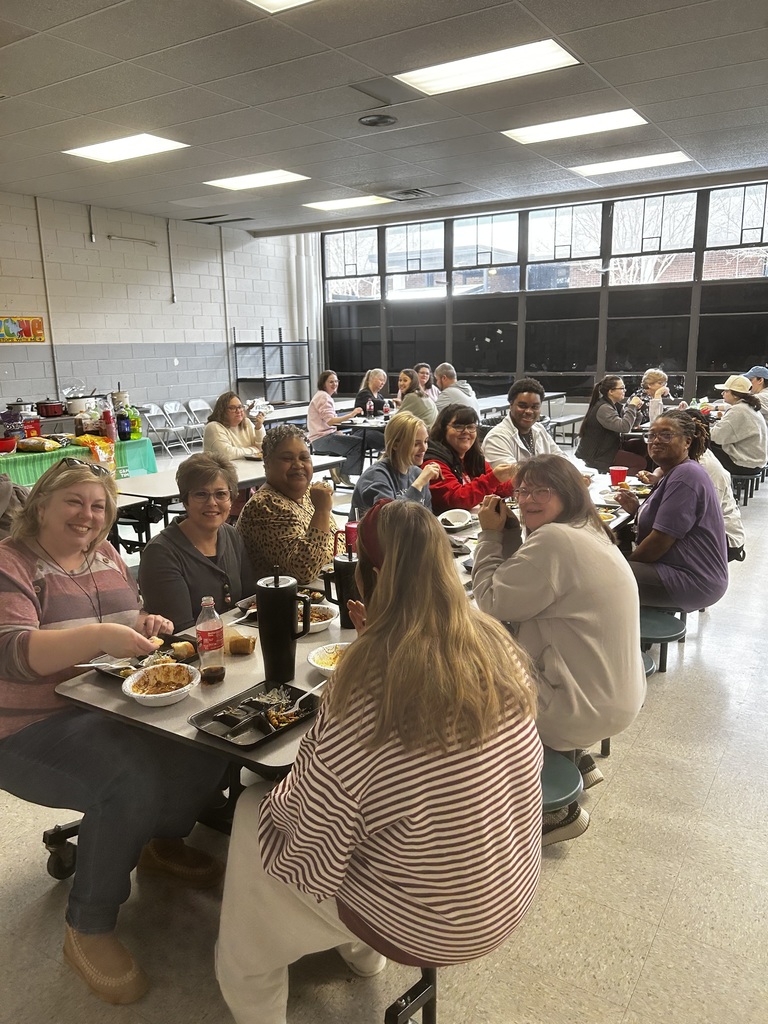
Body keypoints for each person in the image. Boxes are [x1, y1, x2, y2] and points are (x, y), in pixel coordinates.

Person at [216, 499, 543, 1024]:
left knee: (254, 808)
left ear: (365, 580)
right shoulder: (492, 641)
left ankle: (255, 991)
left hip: (433, 921)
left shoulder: (369, 682)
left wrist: (278, 799)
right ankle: (359, 955)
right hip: (506, 885)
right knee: (387, 807)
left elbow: (314, 832)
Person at [0, 459, 226, 1005]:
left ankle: (154, 839)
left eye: (99, 505)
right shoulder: (12, 562)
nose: (88, 515)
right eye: (74, 502)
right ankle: (88, 926)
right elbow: (14, 654)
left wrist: (140, 623)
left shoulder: (104, 554)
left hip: (107, 706)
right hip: (29, 726)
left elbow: (129, 615)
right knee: (126, 777)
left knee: (209, 740)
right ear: (42, 505)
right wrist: (102, 632)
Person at [472, 455, 646, 843]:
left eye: (541, 490)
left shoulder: (554, 540)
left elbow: (491, 599)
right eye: (522, 490)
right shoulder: (588, 528)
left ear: (567, 493)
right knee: (522, 639)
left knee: (475, 678)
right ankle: (576, 757)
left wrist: (488, 536)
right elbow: (528, 580)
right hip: (618, 695)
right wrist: (512, 534)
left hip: (583, 708)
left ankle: (559, 811)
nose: (528, 498)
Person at [614, 411, 729, 612]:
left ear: (687, 442)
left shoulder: (686, 475)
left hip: (691, 578)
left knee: (598, 574)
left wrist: (624, 567)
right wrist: (637, 511)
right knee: (603, 559)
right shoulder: (676, 472)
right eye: (651, 435)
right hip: (678, 568)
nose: (656, 441)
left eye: (666, 435)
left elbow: (660, 541)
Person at [139, 453, 258, 630]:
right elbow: (181, 631)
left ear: (231, 499)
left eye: (221, 494)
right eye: (201, 494)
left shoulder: (232, 535)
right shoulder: (160, 554)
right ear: (185, 500)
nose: (212, 502)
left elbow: (249, 602)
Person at [237, 424, 336, 583]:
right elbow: (304, 570)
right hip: (284, 603)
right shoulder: (265, 505)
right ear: (267, 463)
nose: (298, 465)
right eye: (287, 459)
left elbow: (338, 546)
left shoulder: (309, 495)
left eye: (304, 457)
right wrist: (322, 511)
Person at [425, 404, 516, 514]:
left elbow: (498, 488)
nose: (466, 431)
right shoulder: (433, 463)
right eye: (458, 426)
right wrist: (493, 478)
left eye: (471, 427)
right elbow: (455, 500)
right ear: (443, 429)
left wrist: (519, 481)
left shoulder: (474, 458)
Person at [350, 413, 440, 518]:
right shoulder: (376, 476)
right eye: (416, 444)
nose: (424, 448)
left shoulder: (417, 473)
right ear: (395, 445)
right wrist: (419, 484)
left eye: (425, 441)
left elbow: (427, 518)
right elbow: (391, 520)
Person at [483, 377, 564, 468]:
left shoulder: (539, 429)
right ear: (511, 405)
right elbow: (512, 476)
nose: (529, 411)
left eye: (535, 407)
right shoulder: (496, 438)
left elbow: (562, 460)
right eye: (522, 406)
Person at [575, 374, 646, 473]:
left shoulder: (614, 405)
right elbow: (624, 427)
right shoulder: (604, 408)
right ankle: (618, 481)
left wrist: (636, 410)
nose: (624, 391)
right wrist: (632, 406)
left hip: (610, 447)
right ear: (611, 391)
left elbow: (632, 424)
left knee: (642, 446)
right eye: (622, 388)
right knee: (640, 463)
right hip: (599, 454)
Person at [306, 370, 364, 487]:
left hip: (321, 437)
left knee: (350, 439)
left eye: (336, 381)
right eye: (331, 382)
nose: (334, 384)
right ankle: (344, 474)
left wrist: (337, 431)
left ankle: (336, 467)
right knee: (358, 443)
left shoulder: (322, 396)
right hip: (321, 440)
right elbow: (331, 420)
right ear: (323, 383)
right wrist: (351, 415)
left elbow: (328, 422)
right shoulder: (323, 397)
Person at [708, 374, 768, 476]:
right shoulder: (748, 406)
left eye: (726, 391)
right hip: (756, 462)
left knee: (703, 445)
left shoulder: (738, 410)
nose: (722, 393)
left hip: (745, 464)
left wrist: (702, 428)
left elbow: (716, 436)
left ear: (735, 395)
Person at [204, 391, 265, 460]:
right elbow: (227, 454)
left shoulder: (246, 422)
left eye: (240, 407)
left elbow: (263, 447)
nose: (238, 411)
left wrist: (258, 428)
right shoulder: (213, 427)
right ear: (222, 411)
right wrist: (254, 450)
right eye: (232, 408)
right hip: (221, 469)